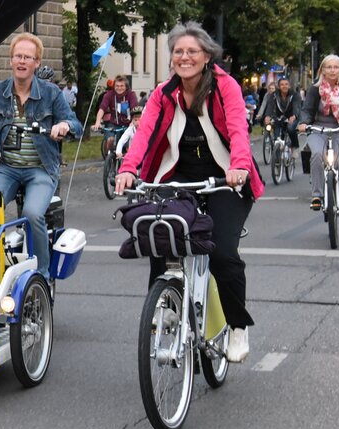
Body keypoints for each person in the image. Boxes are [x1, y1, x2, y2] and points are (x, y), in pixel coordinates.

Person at [113, 22, 263, 363]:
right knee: (160, 233)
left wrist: (239, 166)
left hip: (226, 177)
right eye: (178, 51)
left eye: (192, 51)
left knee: (223, 253)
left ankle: (238, 326)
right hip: (178, 176)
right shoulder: (163, 93)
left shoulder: (225, 86)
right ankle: (166, 304)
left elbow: (238, 129)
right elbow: (144, 133)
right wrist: (128, 169)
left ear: (206, 56)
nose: (184, 57)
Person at [0, 32, 83, 276]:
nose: (22, 61)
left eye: (28, 57)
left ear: (37, 62)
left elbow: (76, 125)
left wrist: (64, 126)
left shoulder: (51, 93)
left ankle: (42, 274)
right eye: (18, 56)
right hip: (6, 167)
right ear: (10, 60)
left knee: (32, 214)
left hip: (40, 167)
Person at [297, 54, 339, 221]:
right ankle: (317, 196)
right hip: (318, 129)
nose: (332, 70)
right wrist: (303, 122)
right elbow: (307, 109)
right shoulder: (315, 88)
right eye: (329, 67)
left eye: (336, 67)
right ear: (323, 70)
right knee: (317, 155)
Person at [262, 77, 302, 152]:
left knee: (290, 128)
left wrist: (294, 116)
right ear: (279, 86)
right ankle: (276, 155)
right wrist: (267, 116)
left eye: (286, 84)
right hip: (279, 117)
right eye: (282, 84)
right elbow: (270, 106)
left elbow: (296, 106)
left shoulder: (295, 95)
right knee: (276, 135)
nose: (284, 86)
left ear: (289, 85)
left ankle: (295, 146)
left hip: (291, 116)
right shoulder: (274, 95)